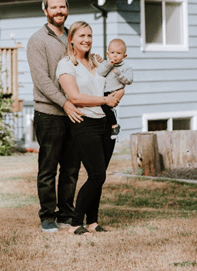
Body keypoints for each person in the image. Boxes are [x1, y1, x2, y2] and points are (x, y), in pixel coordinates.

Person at [56, 21, 123, 235]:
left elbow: (115, 84)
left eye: (90, 36)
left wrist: (116, 96)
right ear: (71, 39)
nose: (87, 40)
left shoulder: (96, 62)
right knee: (96, 175)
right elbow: (75, 97)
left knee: (100, 174)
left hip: (105, 123)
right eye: (82, 36)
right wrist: (105, 100)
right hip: (84, 123)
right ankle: (76, 222)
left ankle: (92, 221)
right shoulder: (66, 65)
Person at [27, 0, 85, 233]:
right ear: (45, 11)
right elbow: (42, 80)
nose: (59, 10)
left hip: (75, 113)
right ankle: (47, 216)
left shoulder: (74, 37)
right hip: (49, 114)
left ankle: (66, 215)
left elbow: (83, 68)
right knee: (48, 168)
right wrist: (64, 103)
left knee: (71, 169)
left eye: (63, 6)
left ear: (67, 9)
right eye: (54, 7)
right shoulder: (37, 40)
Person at [97, 38, 133, 138]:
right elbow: (100, 73)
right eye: (112, 52)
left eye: (118, 53)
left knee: (106, 108)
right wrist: (109, 64)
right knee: (103, 109)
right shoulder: (106, 63)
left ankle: (115, 126)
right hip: (103, 92)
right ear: (108, 54)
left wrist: (119, 73)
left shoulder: (126, 68)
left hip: (115, 92)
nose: (115, 55)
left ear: (124, 56)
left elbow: (129, 80)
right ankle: (109, 126)